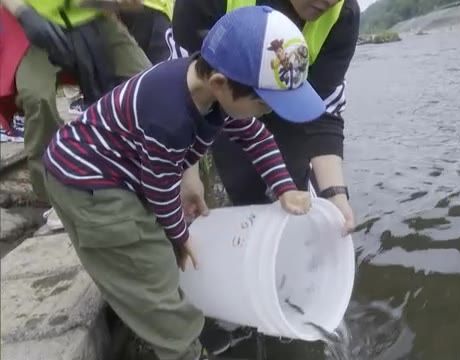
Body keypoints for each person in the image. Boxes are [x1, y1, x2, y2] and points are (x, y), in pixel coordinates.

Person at [42, 5, 325, 359]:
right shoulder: (168, 114)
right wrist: (180, 236)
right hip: (87, 182)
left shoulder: (212, 92)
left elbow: (258, 138)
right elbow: (161, 190)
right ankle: (184, 350)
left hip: (115, 168)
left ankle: (147, 321)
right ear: (221, 84)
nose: (268, 113)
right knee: (151, 268)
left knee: (154, 255)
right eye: (265, 104)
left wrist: (284, 187)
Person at [172, 0, 359, 233]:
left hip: (293, 107)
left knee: (299, 204)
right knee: (244, 191)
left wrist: (334, 194)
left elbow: (322, 112)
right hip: (228, 106)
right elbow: (186, 91)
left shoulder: (343, 15)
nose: (330, 2)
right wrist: (187, 171)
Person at [1, 0, 151, 230]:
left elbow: (133, 5)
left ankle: (154, 174)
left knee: (147, 79)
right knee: (37, 96)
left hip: (91, 14)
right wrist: (22, 12)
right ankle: (55, 197)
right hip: (32, 23)